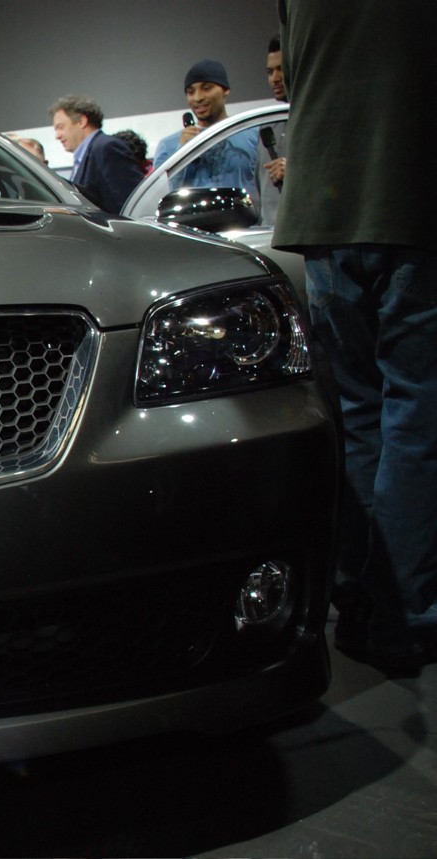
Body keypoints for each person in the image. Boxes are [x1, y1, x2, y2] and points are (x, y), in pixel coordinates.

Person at [273, 0, 437, 670]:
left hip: (325, 210)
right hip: (413, 198)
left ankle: (360, 603)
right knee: (416, 420)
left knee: (361, 415)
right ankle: (405, 618)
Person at [151, 60, 258, 201]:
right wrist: (181, 153)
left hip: (242, 215)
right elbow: (157, 198)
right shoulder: (168, 146)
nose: (198, 98)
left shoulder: (254, 135)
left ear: (225, 90)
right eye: (190, 92)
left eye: (207, 88)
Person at [49, 95, 144, 214]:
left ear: (81, 121)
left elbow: (131, 203)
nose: (57, 136)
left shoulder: (107, 148)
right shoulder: (87, 154)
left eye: (60, 127)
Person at [255, 34, 288, 226]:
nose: (274, 79)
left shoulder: (315, 122)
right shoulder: (267, 125)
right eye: (270, 72)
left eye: (281, 69)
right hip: (267, 235)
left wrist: (296, 171)